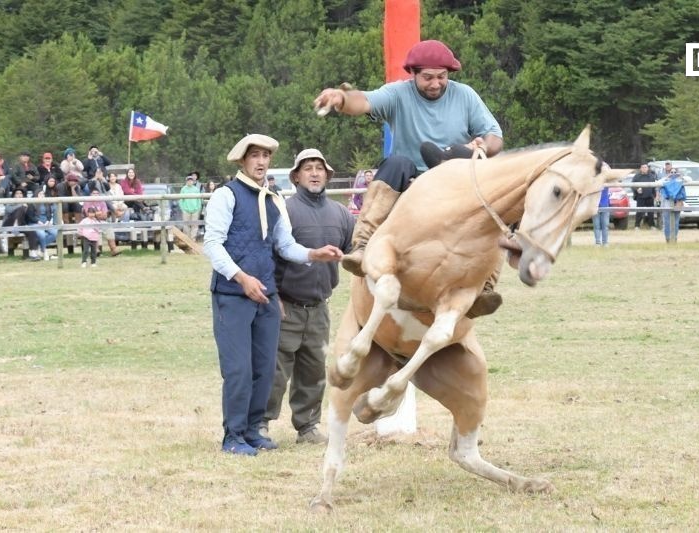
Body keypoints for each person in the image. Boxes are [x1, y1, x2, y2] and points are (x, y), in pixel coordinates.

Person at [313, 39, 504, 318]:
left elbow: (494, 136)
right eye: (427, 77)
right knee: (395, 162)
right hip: (410, 179)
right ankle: (363, 244)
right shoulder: (398, 94)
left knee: (496, 201)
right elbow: (364, 101)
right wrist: (341, 99)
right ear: (413, 74)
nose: (436, 83)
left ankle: (485, 286)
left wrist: (484, 146)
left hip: (455, 177)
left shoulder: (465, 95)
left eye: (442, 77)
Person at [203, 134, 343, 456]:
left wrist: (314, 254)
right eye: (255, 156)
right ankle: (233, 436)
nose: (261, 162)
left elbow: (284, 246)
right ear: (243, 160)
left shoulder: (274, 199)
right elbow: (212, 244)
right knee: (238, 369)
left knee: (264, 368)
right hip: (233, 295)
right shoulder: (226, 196)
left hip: (265, 296)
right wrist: (240, 277)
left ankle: (253, 431)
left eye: (266, 156)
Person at [260, 148, 354, 446]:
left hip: (319, 306)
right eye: (308, 168)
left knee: (314, 370)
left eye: (319, 168)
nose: (314, 173)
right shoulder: (283, 210)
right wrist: (273, 296)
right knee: (275, 369)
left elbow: (355, 251)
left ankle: (308, 427)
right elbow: (267, 256)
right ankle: (260, 424)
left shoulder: (340, 213)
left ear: (328, 174)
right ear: (296, 176)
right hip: (285, 305)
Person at [82, 186, 121, 256]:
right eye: (94, 193)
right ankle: (95, 250)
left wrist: (95, 214)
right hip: (90, 222)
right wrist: (98, 214)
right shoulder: (87, 202)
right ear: (90, 194)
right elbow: (89, 215)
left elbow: (105, 216)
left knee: (109, 227)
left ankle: (113, 249)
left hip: (101, 221)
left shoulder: (102, 201)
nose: (95, 195)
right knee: (94, 228)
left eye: (97, 193)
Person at [25, 188, 58, 260]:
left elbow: (49, 214)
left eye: (43, 194)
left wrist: (48, 221)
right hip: (34, 223)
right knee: (42, 234)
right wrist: (38, 222)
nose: (42, 195)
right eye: (40, 194)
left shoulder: (46, 203)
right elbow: (30, 216)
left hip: (45, 223)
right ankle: (44, 251)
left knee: (55, 233)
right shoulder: (31, 203)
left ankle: (40, 247)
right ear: (36, 194)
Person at [659, 168, 686, 243]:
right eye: (671, 172)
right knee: (667, 222)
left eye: (675, 172)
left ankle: (675, 238)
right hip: (666, 204)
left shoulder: (680, 180)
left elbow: (689, 180)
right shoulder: (665, 180)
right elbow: (658, 182)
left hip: (677, 203)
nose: (673, 173)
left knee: (676, 222)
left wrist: (680, 176)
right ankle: (668, 239)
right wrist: (667, 177)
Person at [631, 163, 657, 230]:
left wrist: (655, 196)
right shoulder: (636, 176)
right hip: (640, 197)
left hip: (649, 197)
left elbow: (654, 187)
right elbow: (632, 185)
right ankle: (637, 226)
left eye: (645, 167)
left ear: (648, 168)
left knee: (651, 212)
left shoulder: (651, 176)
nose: (644, 168)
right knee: (639, 212)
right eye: (643, 167)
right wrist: (637, 189)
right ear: (640, 168)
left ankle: (652, 226)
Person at [178, 173, 203, 240]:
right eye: (188, 180)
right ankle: (187, 239)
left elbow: (199, 200)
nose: (190, 181)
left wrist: (198, 208)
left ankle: (193, 239)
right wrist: (183, 209)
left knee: (194, 225)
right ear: (186, 181)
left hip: (195, 210)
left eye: (191, 180)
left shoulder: (196, 189)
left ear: (193, 181)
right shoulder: (183, 189)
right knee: (186, 225)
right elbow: (180, 200)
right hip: (186, 210)